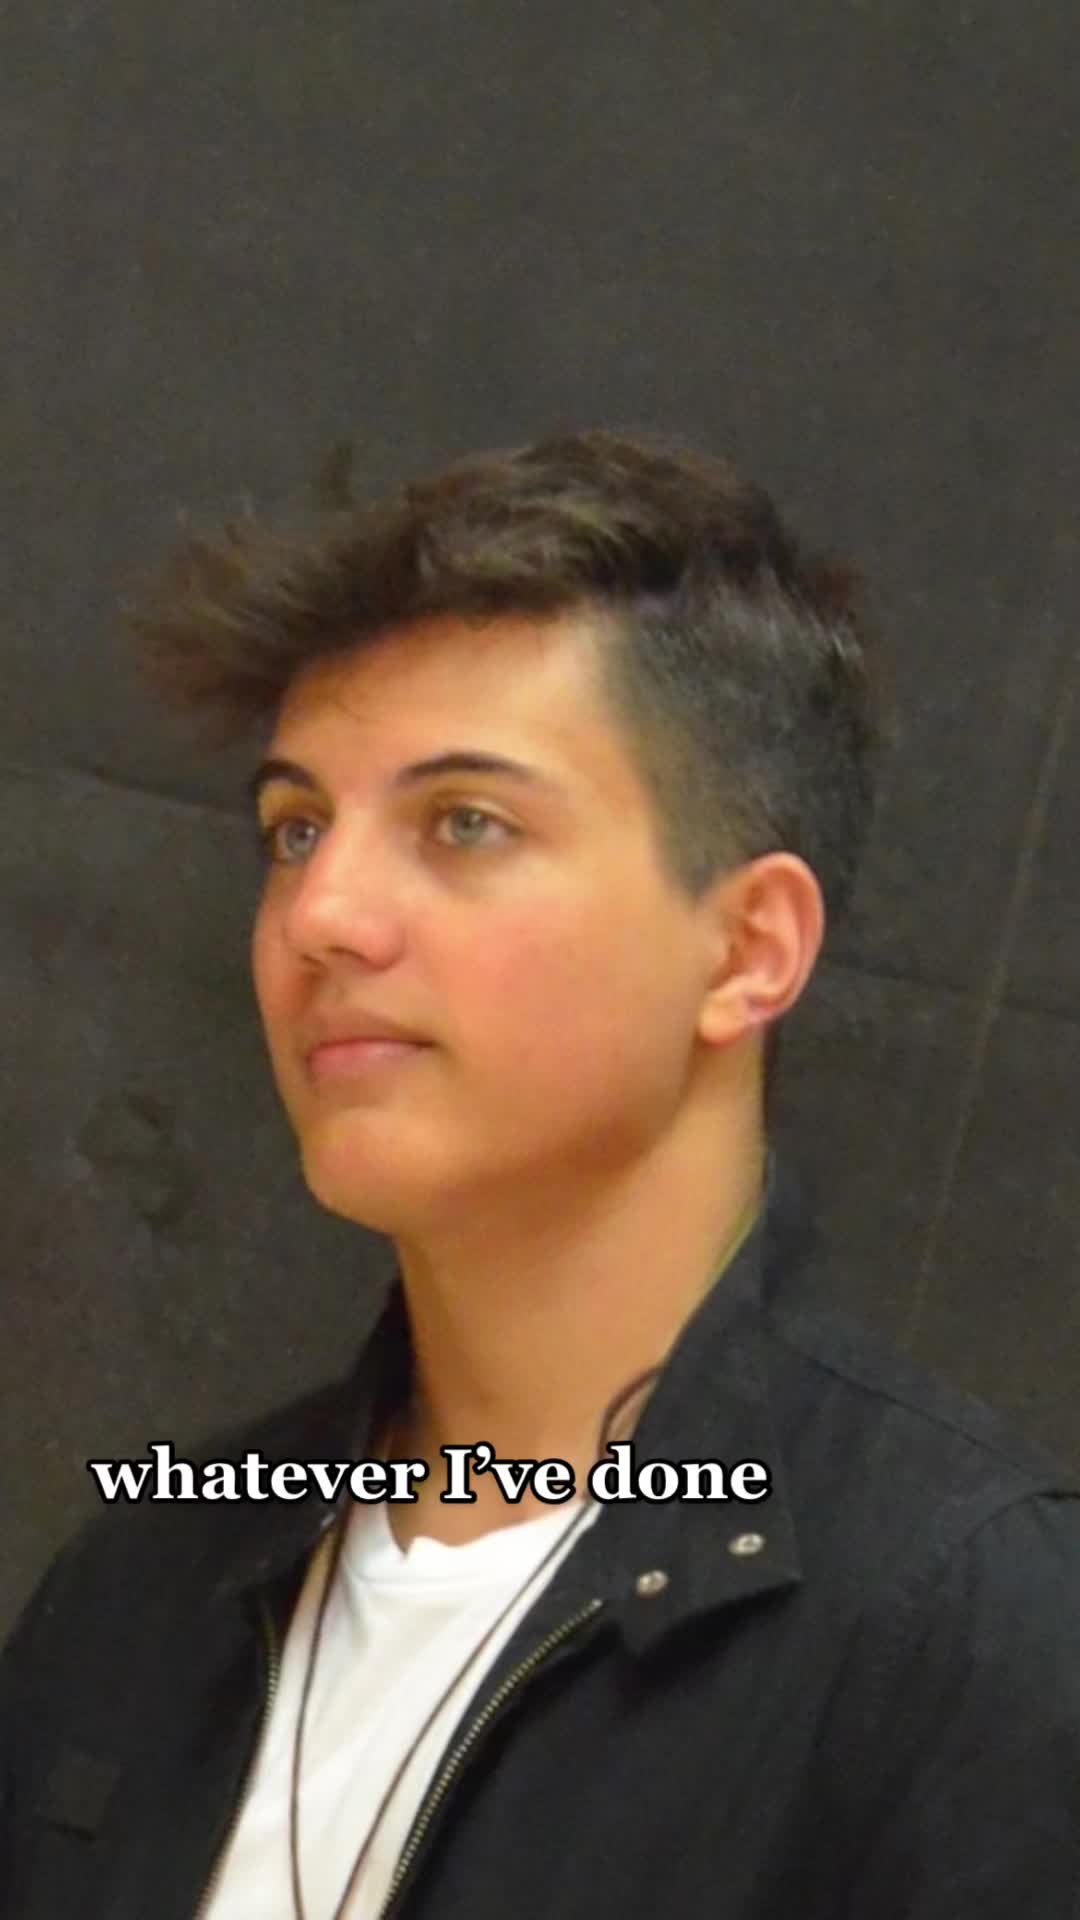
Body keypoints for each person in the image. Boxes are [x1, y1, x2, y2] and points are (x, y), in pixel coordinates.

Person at [2, 427, 1078, 1920]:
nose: (321, 913)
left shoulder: (968, 1636)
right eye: (295, 828)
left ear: (747, 949)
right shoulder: (142, 1587)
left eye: (466, 823)